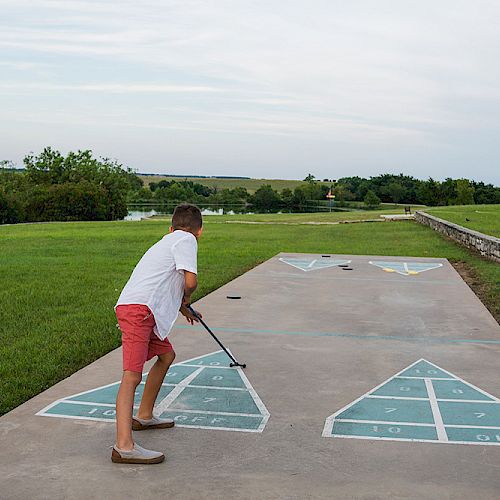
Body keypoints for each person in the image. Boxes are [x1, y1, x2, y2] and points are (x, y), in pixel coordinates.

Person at [111, 203, 203, 464]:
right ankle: (123, 446)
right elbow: (190, 281)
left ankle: (145, 415)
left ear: (170, 227)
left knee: (166, 355)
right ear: (200, 231)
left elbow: (165, 282)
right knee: (131, 376)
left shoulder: (169, 240)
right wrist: (187, 296)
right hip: (140, 312)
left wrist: (183, 307)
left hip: (143, 310)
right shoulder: (187, 239)